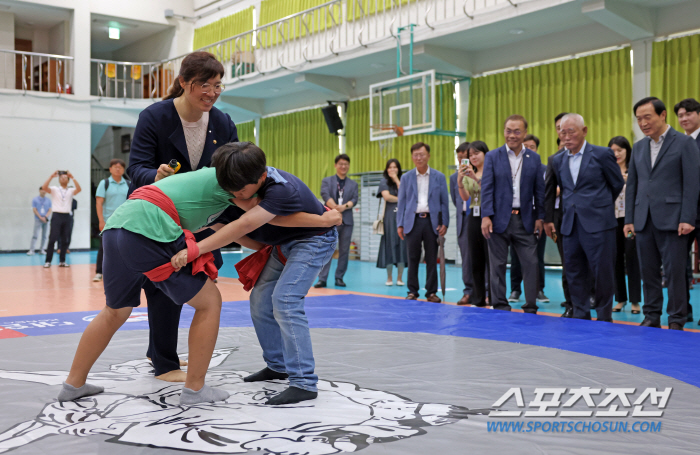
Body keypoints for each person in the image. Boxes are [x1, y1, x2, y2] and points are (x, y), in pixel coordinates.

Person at [57, 147, 342, 407]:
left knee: (114, 312)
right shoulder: (232, 184)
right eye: (238, 191)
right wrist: (321, 219)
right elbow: (248, 221)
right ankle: (195, 389)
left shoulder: (219, 181)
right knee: (210, 303)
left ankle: (74, 383)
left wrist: (312, 226)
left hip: (118, 227)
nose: (240, 194)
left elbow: (240, 225)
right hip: (149, 227)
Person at [172, 142, 341, 405]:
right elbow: (252, 229)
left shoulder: (281, 189)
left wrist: (196, 249)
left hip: (313, 241)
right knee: (260, 300)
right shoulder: (230, 182)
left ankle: (304, 382)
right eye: (229, 190)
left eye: (240, 192)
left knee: (285, 300)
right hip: (281, 244)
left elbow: (248, 222)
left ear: (261, 177)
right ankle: (278, 365)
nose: (234, 196)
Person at [126, 51, 238, 382]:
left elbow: (231, 169)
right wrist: (154, 176)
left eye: (218, 85)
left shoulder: (222, 122)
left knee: (199, 286)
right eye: (204, 85)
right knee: (163, 286)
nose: (212, 93)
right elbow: (136, 169)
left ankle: (159, 352)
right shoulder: (154, 117)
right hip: (161, 219)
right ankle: (164, 363)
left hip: (205, 222)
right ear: (183, 83)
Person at [625, 97, 700, 330]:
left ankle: (676, 319)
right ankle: (652, 315)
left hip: (674, 219)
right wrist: (629, 219)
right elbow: (633, 187)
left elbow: (692, 183)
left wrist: (687, 217)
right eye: (639, 119)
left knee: (676, 273)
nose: (643, 123)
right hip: (643, 220)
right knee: (648, 273)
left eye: (647, 117)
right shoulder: (638, 147)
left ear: (663, 115)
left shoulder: (683, 143)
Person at [544, 114, 624, 322]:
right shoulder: (557, 159)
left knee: (602, 271)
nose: (566, 137)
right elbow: (554, 191)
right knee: (573, 270)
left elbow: (616, 184)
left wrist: (598, 205)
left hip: (599, 223)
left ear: (584, 131)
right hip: (569, 225)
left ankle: (604, 315)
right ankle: (580, 314)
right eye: (562, 132)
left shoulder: (602, 154)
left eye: (571, 132)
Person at [481, 115, 544, 314]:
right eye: (508, 130)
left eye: (517, 131)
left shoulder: (533, 158)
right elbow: (487, 188)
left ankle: (531, 305)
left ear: (525, 133)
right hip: (498, 220)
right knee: (497, 264)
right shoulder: (493, 156)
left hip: (525, 219)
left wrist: (540, 218)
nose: (512, 135)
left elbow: (539, 191)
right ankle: (500, 305)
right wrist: (485, 216)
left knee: (531, 263)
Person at [396, 142, 450, 302]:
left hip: (432, 222)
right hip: (412, 222)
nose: (419, 158)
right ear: (412, 157)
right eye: (415, 155)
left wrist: (445, 223)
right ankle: (412, 291)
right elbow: (402, 202)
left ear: (429, 156)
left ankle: (431, 292)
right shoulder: (406, 177)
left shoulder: (439, 177)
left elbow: (444, 202)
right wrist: (400, 224)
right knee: (412, 258)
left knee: (432, 258)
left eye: (422, 154)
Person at [508, 134, 549, 304]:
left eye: (532, 146)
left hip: (536, 217)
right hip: (517, 217)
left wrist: (542, 217)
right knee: (515, 256)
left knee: (537, 256)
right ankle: (515, 289)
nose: (529, 149)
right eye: (526, 146)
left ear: (537, 149)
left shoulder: (543, 168)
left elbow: (545, 193)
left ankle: (539, 289)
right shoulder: (513, 167)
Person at [545, 113, 575, 317]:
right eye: (559, 128)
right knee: (568, 262)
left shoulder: (594, 155)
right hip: (561, 219)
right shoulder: (554, 160)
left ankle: (593, 300)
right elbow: (548, 192)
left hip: (589, 219)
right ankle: (571, 302)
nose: (563, 132)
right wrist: (548, 220)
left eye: (567, 129)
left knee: (591, 262)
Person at [674, 97, 700, 325]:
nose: (684, 119)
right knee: (679, 264)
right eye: (680, 116)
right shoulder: (678, 143)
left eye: (688, 114)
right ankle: (684, 309)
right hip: (682, 215)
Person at [608, 136, 641, 314]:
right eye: (612, 151)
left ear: (627, 150)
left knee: (632, 258)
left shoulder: (634, 170)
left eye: (620, 150)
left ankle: (635, 301)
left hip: (630, 221)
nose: (616, 154)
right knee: (615, 260)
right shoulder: (608, 170)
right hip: (612, 220)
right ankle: (620, 299)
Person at [457, 141, 491, 307]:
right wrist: (460, 180)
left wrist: (475, 178)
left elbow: (488, 191)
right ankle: (477, 298)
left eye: (477, 153)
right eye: (470, 155)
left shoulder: (492, 172)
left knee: (491, 259)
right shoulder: (471, 173)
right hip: (474, 216)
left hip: (489, 217)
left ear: (485, 153)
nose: (473, 157)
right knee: (475, 260)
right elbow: (465, 197)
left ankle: (492, 296)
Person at [315, 154, 358, 288]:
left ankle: (339, 278)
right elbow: (325, 194)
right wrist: (335, 208)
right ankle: (322, 279)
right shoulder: (327, 181)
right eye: (340, 164)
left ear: (349, 166)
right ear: (335, 165)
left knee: (344, 251)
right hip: (330, 219)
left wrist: (344, 207)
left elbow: (355, 199)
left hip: (347, 221)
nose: (343, 166)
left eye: (346, 164)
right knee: (327, 249)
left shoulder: (353, 184)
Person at [93, 159, 129, 282]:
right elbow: (99, 203)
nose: (118, 169)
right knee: (104, 247)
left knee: (125, 248)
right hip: (108, 222)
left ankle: (123, 272)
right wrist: (101, 221)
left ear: (124, 169)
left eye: (120, 167)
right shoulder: (105, 183)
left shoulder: (128, 184)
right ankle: (99, 272)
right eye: (115, 167)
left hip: (125, 223)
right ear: (110, 169)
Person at [376, 159, 407, 286]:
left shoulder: (403, 180)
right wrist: (401, 199)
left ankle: (400, 278)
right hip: (389, 218)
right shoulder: (384, 182)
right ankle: (389, 278)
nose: (392, 170)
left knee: (402, 246)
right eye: (390, 167)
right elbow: (387, 197)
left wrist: (396, 180)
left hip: (402, 217)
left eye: (395, 167)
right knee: (389, 246)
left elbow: (406, 193)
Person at [449, 142, 474, 304]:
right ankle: (468, 291)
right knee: (466, 258)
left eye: (465, 158)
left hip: (480, 217)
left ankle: (486, 291)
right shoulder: (453, 178)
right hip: (463, 219)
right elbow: (455, 199)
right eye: (459, 158)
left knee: (483, 257)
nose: (462, 161)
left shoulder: (480, 174)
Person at [42, 170, 81, 268]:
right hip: (56, 216)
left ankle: (62, 261)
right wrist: (51, 176)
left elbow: (79, 189)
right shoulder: (55, 189)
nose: (63, 178)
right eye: (61, 177)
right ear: (59, 179)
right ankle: (48, 261)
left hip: (67, 216)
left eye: (65, 177)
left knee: (65, 240)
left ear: (68, 180)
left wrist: (73, 177)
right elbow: (44, 187)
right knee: (52, 239)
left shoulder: (71, 190)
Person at [28, 187, 51, 256]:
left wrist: (45, 217)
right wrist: (40, 217)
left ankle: (42, 249)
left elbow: (50, 210)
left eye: (45, 190)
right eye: (42, 190)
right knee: (35, 235)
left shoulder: (48, 200)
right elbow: (34, 209)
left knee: (44, 235)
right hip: (38, 219)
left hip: (46, 219)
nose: (43, 191)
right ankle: (32, 250)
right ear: (39, 190)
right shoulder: (35, 199)